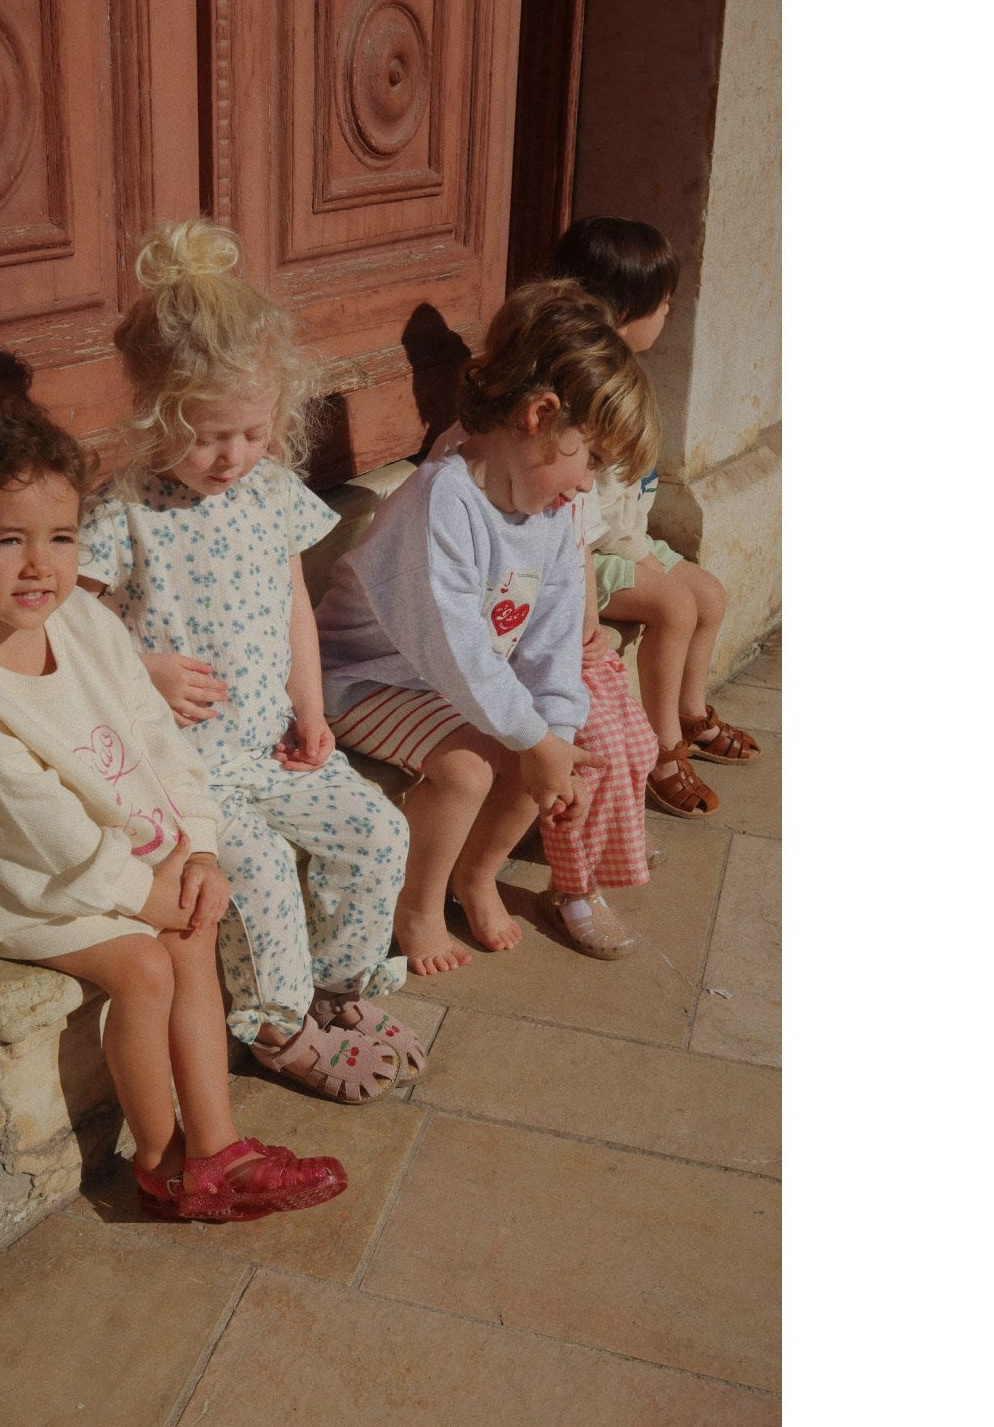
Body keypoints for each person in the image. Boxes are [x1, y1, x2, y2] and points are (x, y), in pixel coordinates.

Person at [0, 341, 347, 1221]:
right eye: (6, 541)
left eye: (61, 538)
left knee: (191, 924)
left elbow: (157, 736)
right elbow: (29, 825)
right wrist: (143, 894)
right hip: (30, 884)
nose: (40, 566)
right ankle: (162, 1162)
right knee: (148, 966)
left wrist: (199, 848)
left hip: (124, 853)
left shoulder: (81, 618)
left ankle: (217, 1146)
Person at [80, 221, 422, 1104]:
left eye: (253, 432)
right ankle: (276, 1027)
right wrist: (143, 670)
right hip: (184, 770)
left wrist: (311, 710)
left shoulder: (272, 494)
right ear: (155, 415)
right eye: (207, 436)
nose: (232, 456)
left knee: (377, 831)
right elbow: (71, 630)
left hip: (269, 740)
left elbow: (294, 604)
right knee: (260, 869)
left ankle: (334, 987)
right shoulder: (124, 512)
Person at [314, 280, 661, 970]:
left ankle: (476, 874)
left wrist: (555, 733)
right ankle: (416, 906)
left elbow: (553, 639)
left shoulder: (551, 516)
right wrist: (531, 738)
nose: (587, 484)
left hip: (444, 684)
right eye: (590, 457)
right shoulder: (442, 499)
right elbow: (452, 644)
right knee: (471, 768)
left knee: (550, 752)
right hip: (362, 679)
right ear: (540, 415)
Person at [549, 217, 760, 818]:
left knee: (708, 593)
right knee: (674, 606)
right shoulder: (589, 389)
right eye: (664, 302)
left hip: (624, 541)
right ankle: (662, 750)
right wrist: (642, 558)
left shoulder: (625, 374)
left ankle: (690, 713)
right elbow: (585, 508)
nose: (670, 313)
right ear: (624, 309)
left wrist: (644, 551)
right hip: (586, 553)